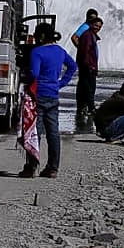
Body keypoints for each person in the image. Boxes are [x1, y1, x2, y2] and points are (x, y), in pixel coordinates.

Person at [29, 27, 76, 178]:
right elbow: (73, 66)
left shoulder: (37, 52)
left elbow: (34, 73)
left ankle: (31, 166)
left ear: (41, 36)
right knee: (53, 133)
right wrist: (61, 83)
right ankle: (52, 168)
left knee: (35, 132)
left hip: (38, 95)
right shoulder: (60, 51)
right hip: (53, 95)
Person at [73, 15, 101, 131]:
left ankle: (85, 107)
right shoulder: (88, 35)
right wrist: (88, 66)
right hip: (88, 67)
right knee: (89, 87)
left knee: (86, 87)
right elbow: (85, 51)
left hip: (89, 66)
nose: (97, 28)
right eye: (96, 25)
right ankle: (91, 108)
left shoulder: (90, 35)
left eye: (99, 26)